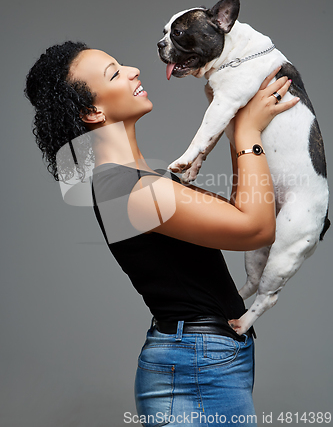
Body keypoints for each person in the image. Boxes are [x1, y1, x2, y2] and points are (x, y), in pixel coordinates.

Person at [25, 41, 298, 427]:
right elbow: (256, 228)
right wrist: (247, 129)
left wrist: (238, 123)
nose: (134, 69)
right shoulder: (126, 190)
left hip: (201, 360)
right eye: (115, 73)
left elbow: (245, 213)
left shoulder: (136, 182)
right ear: (92, 111)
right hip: (196, 364)